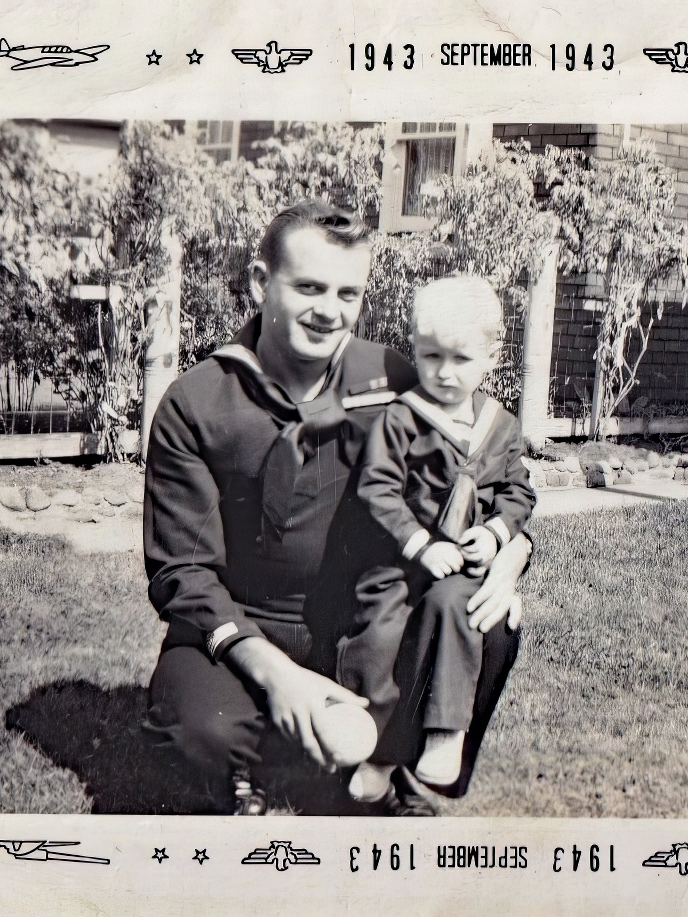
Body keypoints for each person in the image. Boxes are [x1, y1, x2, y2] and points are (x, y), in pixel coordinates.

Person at [140, 201, 530, 816]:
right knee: (196, 730)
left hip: (365, 619)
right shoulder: (197, 401)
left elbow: (476, 472)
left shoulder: (396, 376)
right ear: (258, 282)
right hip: (252, 623)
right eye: (309, 287)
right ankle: (256, 767)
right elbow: (181, 573)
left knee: (485, 620)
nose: (330, 310)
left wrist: (511, 548)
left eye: (348, 292)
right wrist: (271, 671)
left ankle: (397, 766)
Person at [339, 277, 536, 802]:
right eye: (429, 357)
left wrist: (496, 535)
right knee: (381, 641)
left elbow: (518, 492)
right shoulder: (403, 418)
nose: (444, 373)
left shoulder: (501, 426)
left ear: (492, 357)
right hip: (401, 564)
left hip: (463, 567)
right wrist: (421, 545)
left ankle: (446, 734)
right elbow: (376, 488)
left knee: (459, 611)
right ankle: (376, 753)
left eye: (460, 359)